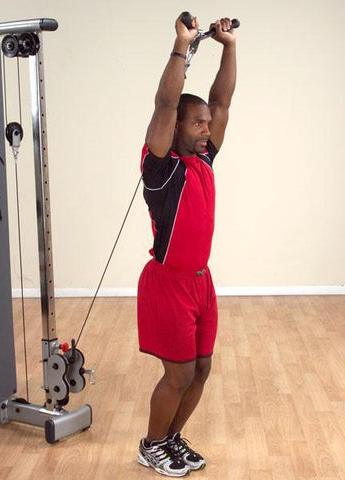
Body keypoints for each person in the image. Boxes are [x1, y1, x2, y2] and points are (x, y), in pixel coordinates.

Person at [136, 13, 237, 477]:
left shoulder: (204, 159)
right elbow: (164, 102)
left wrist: (228, 46)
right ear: (175, 127)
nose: (206, 129)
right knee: (177, 373)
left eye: (206, 124)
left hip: (201, 283)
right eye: (196, 123)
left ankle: (170, 439)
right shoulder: (161, 169)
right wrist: (182, 44)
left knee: (201, 369)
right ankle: (151, 445)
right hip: (168, 284)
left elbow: (221, 100)